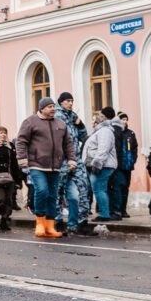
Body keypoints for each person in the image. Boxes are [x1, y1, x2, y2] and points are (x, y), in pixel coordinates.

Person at [16, 97, 76, 239]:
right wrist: (22, 158)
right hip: (37, 164)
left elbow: (68, 143)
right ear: (41, 108)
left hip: (56, 166)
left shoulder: (60, 123)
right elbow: (21, 140)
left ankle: (50, 226)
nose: (53, 109)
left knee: (52, 195)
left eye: (53, 106)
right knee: (42, 191)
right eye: (49, 107)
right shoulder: (30, 122)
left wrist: (71, 159)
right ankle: (40, 223)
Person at [55, 92, 94, 236]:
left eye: (72, 101)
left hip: (76, 159)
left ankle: (81, 223)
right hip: (61, 160)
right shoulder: (56, 116)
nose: (70, 103)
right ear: (61, 102)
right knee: (58, 191)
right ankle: (58, 222)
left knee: (84, 189)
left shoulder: (73, 116)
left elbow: (85, 138)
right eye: (67, 101)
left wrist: (81, 125)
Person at [83, 108, 118, 222]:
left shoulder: (105, 131)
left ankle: (104, 214)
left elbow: (103, 149)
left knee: (99, 189)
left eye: (99, 114)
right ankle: (104, 213)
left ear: (104, 117)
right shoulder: (101, 130)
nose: (97, 116)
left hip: (103, 166)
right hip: (102, 165)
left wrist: (97, 164)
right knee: (100, 189)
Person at [108, 111, 138, 218]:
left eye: (126, 120)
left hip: (128, 165)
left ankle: (123, 210)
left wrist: (133, 159)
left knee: (125, 187)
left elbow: (134, 148)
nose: (124, 121)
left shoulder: (131, 133)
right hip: (118, 165)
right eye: (122, 119)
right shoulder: (116, 132)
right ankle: (117, 210)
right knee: (118, 186)